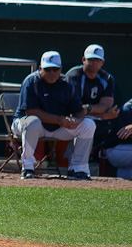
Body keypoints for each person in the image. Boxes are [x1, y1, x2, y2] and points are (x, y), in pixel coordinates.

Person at [12, 50, 95, 180]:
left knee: (88, 124)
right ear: (40, 68)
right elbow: (30, 111)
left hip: (57, 127)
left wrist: (76, 120)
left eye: (55, 69)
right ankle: (27, 167)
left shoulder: (67, 83)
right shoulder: (32, 81)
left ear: (60, 69)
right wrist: (60, 119)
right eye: (48, 69)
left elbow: (78, 110)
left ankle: (78, 168)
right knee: (32, 121)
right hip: (26, 125)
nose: (52, 73)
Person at [105, 98, 132, 179]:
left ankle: (121, 185)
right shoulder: (128, 109)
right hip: (116, 148)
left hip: (128, 150)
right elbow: (126, 137)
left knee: (127, 175)